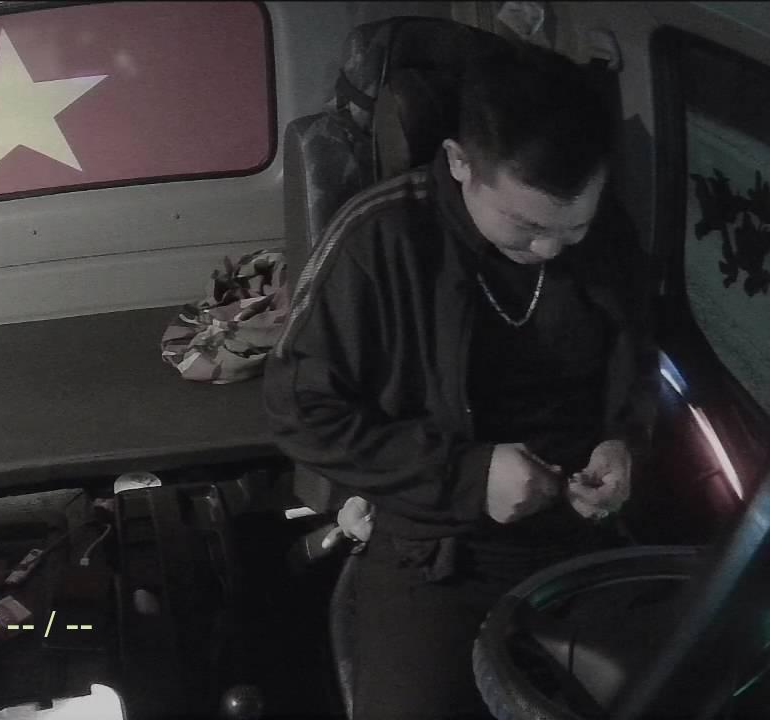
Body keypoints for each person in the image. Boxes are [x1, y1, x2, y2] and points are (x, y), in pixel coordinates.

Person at [264, 41, 657, 718]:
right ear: (458, 162)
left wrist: (623, 441)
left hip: (581, 527)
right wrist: (471, 476)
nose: (550, 249)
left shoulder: (605, 233)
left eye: (574, 227)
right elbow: (300, 411)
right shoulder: (380, 239)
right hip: (437, 541)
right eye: (526, 226)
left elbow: (636, 357)